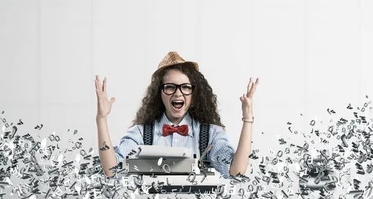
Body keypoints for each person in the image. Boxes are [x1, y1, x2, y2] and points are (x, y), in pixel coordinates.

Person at [95, 51, 259, 178]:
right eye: (170, 87)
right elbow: (112, 170)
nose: (178, 93)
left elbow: (235, 172)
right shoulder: (141, 133)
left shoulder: (210, 134)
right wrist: (101, 119)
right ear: (160, 93)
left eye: (185, 87)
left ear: (194, 93)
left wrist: (247, 119)